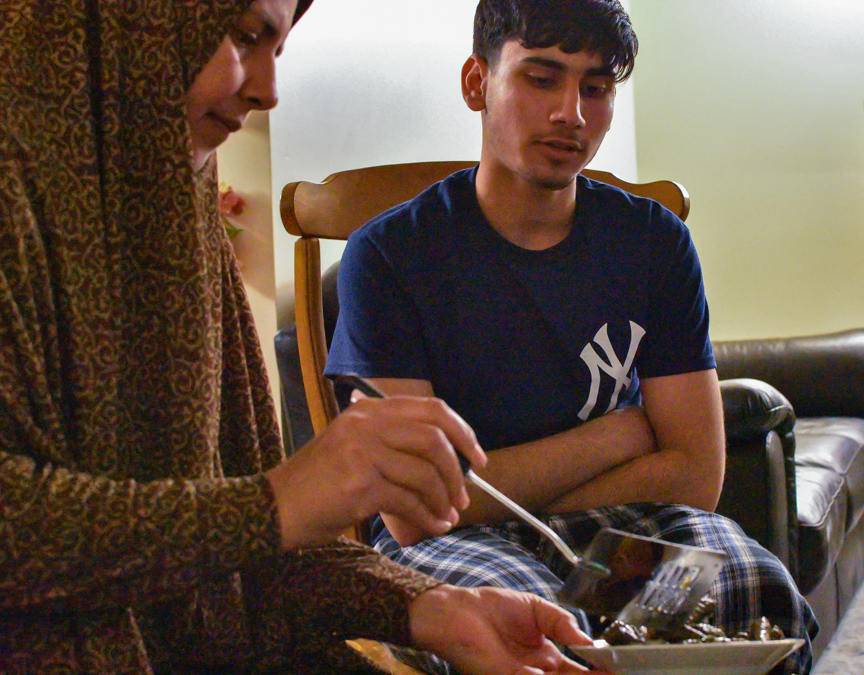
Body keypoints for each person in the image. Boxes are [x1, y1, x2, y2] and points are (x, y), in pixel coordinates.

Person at [0, 1, 605, 673]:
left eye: (278, 49)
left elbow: (235, 548)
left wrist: (428, 606)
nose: (267, 89)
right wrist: (279, 500)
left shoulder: (174, 211)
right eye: (244, 35)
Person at [323, 0, 818, 673]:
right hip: (445, 547)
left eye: (595, 88)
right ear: (477, 83)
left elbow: (697, 474)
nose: (571, 114)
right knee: (540, 636)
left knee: (757, 589)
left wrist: (497, 486)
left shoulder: (654, 242)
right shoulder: (388, 254)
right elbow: (415, 511)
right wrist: (623, 433)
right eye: (541, 78)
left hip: (623, 523)